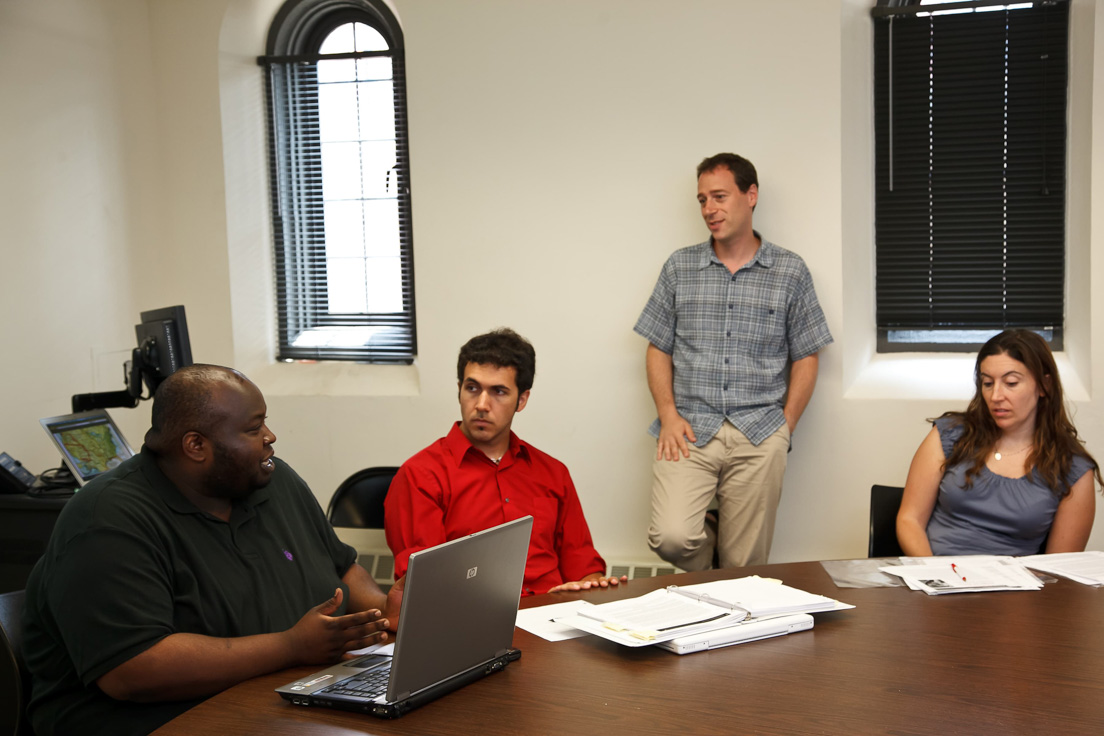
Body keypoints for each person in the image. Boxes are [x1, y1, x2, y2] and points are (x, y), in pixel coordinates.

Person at [22, 365, 401, 736]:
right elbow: (133, 671)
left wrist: (384, 612)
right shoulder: (107, 518)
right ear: (196, 445)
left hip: (281, 695)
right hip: (158, 719)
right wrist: (292, 646)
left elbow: (342, 566)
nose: (270, 436)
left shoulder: (273, 480)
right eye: (253, 429)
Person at [634, 152, 833, 571]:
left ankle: (731, 617)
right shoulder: (679, 267)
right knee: (671, 538)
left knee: (747, 565)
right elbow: (658, 347)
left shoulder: (790, 271)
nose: (710, 209)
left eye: (720, 196)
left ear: (751, 195)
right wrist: (668, 415)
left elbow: (807, 354)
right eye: (702, 200)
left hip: (760, 431)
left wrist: (786, 426)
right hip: (689, 427)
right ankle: (713, 545)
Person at [385, 328, 625, 596]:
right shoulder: (420, 475)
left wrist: (589, 586)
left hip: (552, 617)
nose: (482, 404)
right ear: (459, 390)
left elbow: (583, 567)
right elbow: (422, 584)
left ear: (522, 399)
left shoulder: (553, 473)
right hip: (470, 620)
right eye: (472, 388)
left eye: (498, 391)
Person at [897, 330, 1100, 556]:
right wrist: (936, 576)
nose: (996, 396)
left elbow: (1058, 569)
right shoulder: (951, 434)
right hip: (934, 578)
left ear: (1044, 386)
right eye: (987, 383)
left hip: (1014, 588)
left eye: (1011, 383)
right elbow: (909, 520)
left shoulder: (1072, 468)